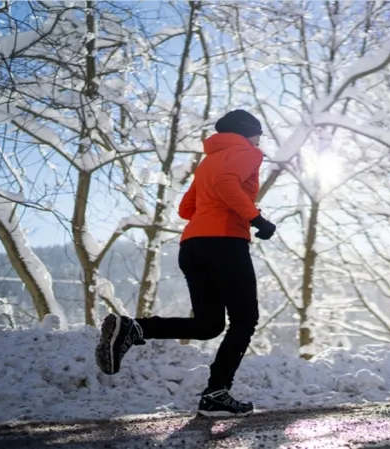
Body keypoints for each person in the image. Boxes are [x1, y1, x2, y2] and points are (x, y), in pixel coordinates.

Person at [95, 109, 276, 417]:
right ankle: (216, 394)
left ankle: (133, 328)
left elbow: (186, 207)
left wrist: (215, 215)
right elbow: (226, 185)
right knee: (245, 319)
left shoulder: (209, 161)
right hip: (225, 245)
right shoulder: (248, 153)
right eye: (258, 133)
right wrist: (256, 218)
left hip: (193, 246)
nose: (260, 140)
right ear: (248, 132)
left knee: (209, 325)